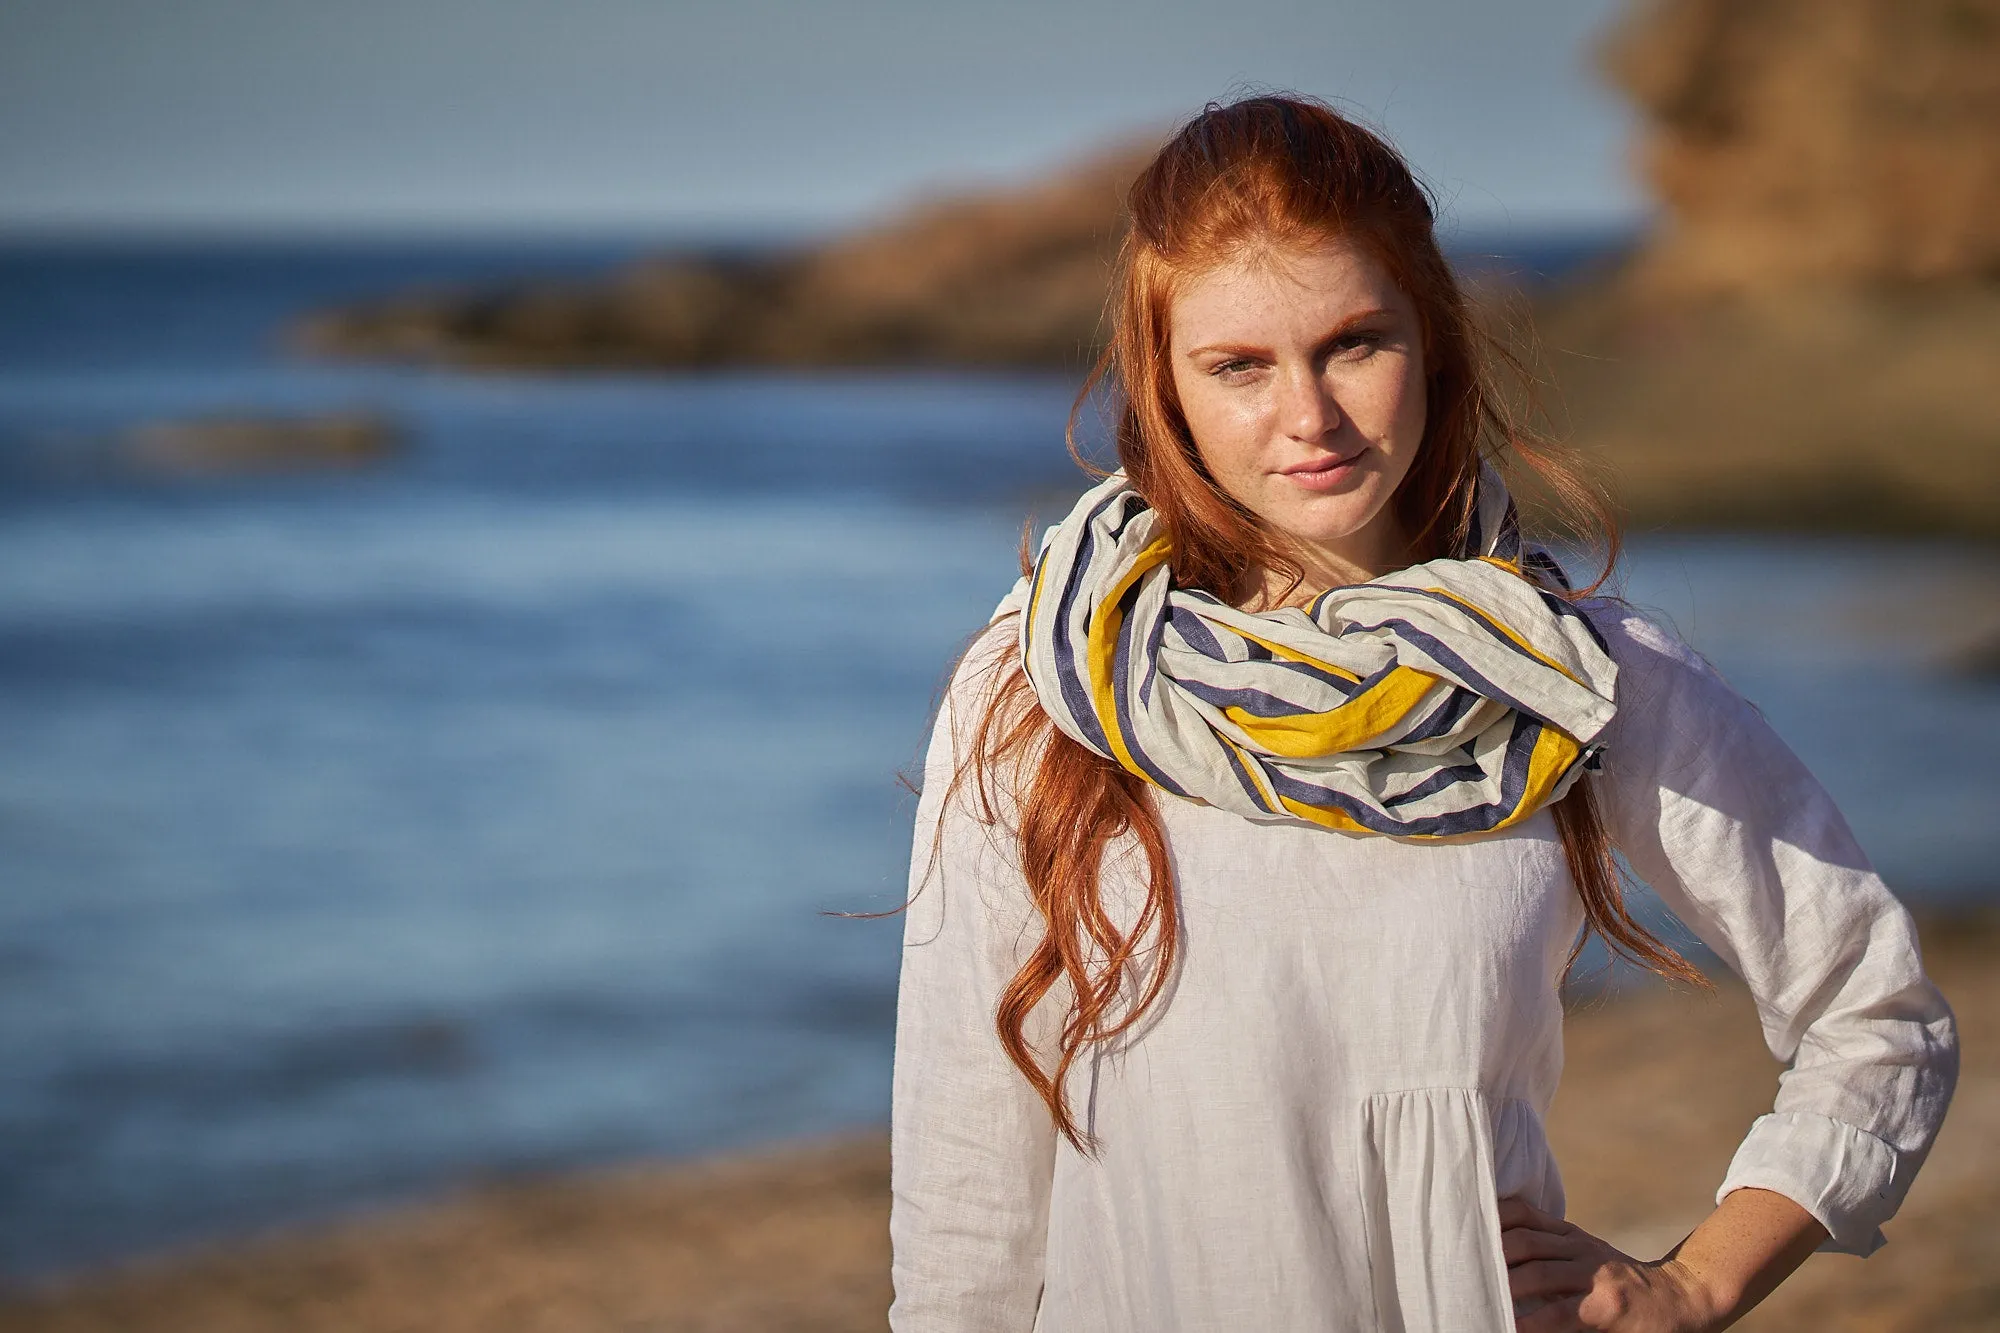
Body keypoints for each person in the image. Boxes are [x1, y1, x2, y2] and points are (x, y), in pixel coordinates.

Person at [886, 94, 1958, 1332]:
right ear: (1163, 388)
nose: (1309, 418)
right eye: (1237, 365)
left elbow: (1873, 1018)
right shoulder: (1042, 684)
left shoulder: (1571, 681)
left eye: (1352, 343)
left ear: (1432, 341)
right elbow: (966, 1175)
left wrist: (1691, 1283)